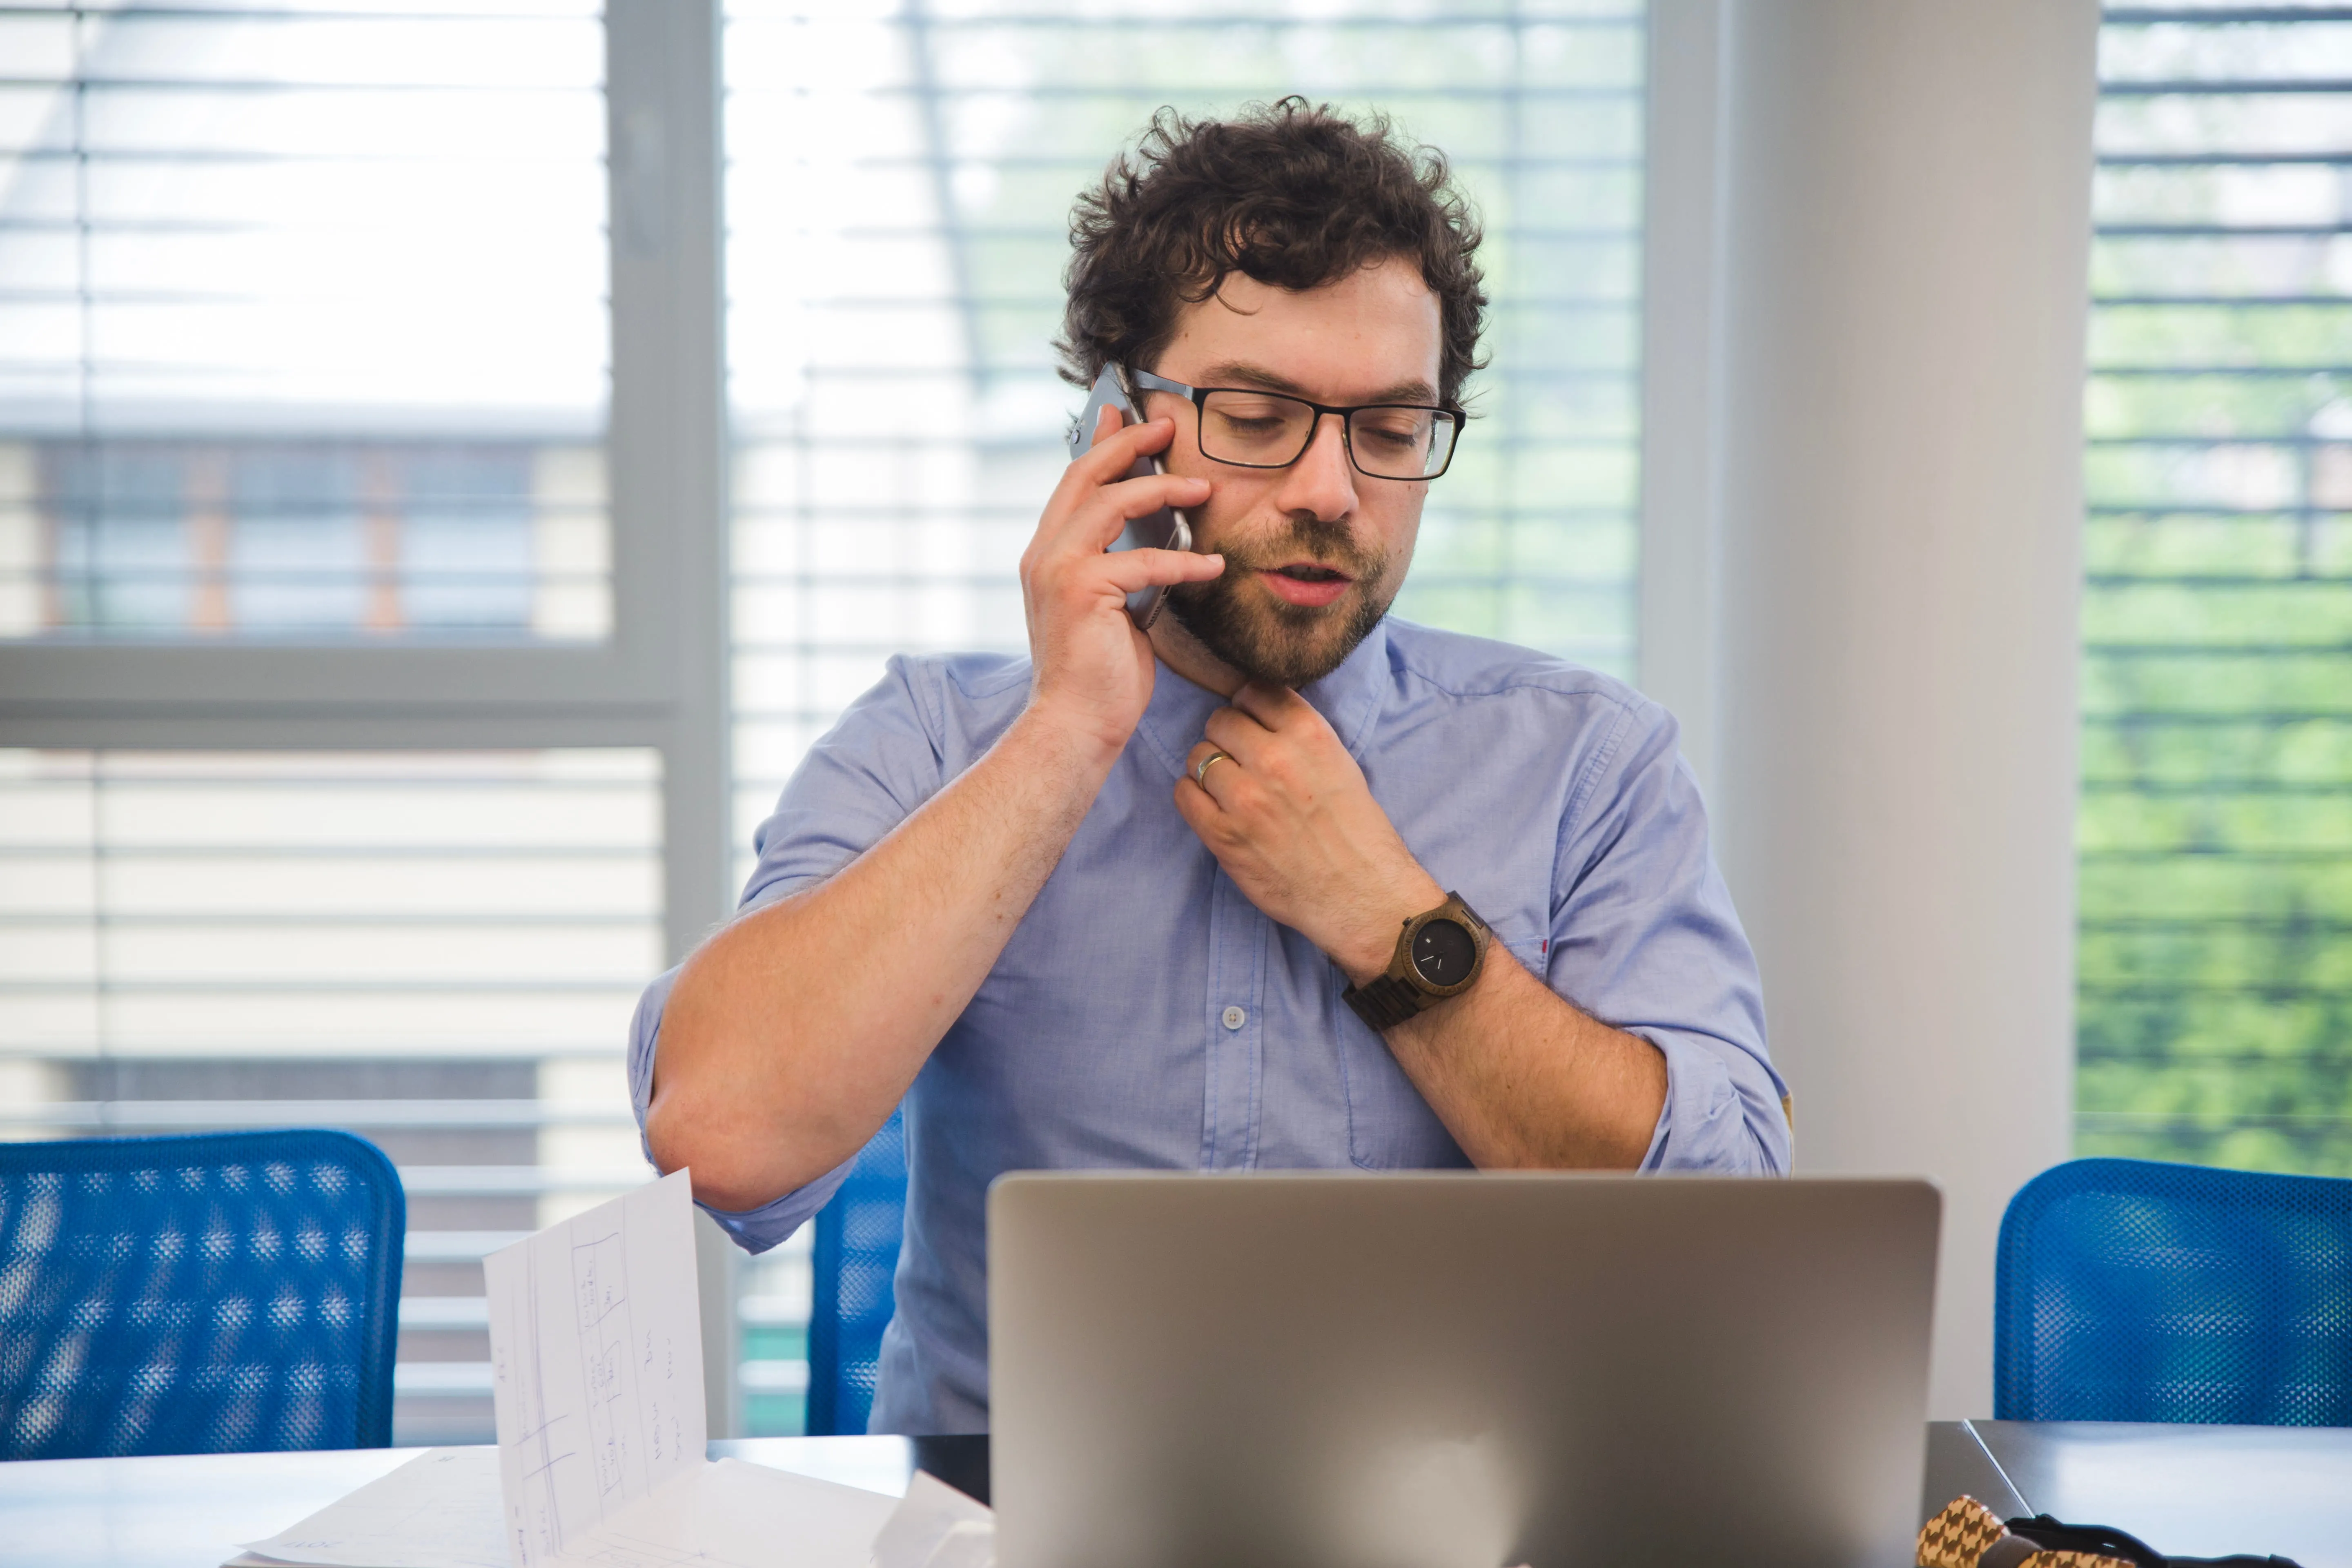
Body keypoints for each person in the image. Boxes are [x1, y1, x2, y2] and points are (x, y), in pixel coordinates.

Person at [634, 99, 1789, 1434]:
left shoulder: (1589, 762)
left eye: (1391, 431)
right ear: (1120, 423)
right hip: (1013, 1527)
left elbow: (1724, 1237)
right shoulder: (934, 741)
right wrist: (1068, 732)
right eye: (1256, 415)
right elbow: (722, 1143)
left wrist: (1392, 924)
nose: (1332, 490)